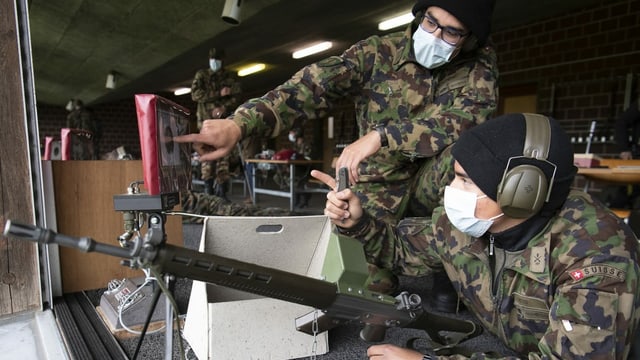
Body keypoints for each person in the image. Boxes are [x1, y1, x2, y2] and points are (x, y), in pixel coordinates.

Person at [176, 0, 499, 299]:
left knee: (473, 154)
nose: (436, 36)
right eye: (430, 22)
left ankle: (449, 268)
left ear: (469, 39)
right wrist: (240, 124)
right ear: (420, 14)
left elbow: (469, 121)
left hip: (435, 182)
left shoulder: (478, 64)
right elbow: (311, 85)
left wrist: (381, 135)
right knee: (364, 283)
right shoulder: (378, 52)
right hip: (378, 183)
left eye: (452, 32)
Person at [312, 113, 640, 359]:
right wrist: (358, 223)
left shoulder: (596, 260)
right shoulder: (468, 221)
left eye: (466, 181)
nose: (451, 192)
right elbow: (402, 252)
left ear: (521, 193)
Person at [191, 47, 242, 197]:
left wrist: (223, 107)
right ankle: (208, 192)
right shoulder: (202, 75)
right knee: (207, 157)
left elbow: (237, 95)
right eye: (212, 60)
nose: (215, 63)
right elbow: (195, 95)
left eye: (217, 60)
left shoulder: (229, 77)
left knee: (223, 157)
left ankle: (222, 192)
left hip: (223, 124)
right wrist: (218, 94)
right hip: (206, 124)